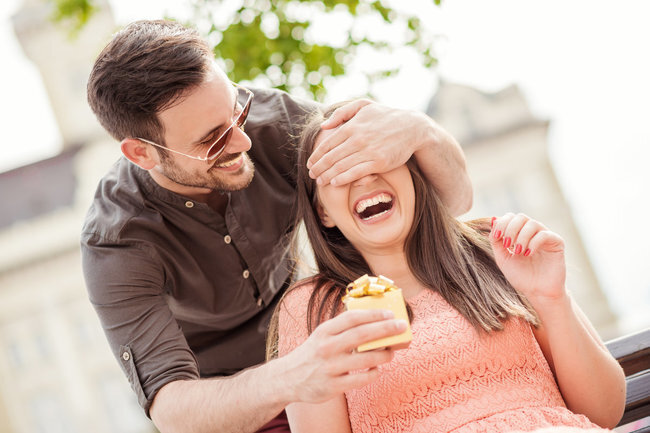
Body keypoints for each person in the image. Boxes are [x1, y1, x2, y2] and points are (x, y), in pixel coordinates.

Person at [80, 19, 473, 433]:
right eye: (212, 140)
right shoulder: (116, 243)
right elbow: (173, 411)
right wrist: (292, 374)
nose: (243, 141)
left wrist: (421, 131)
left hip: (332, 352)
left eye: (237, 111)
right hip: (231, 408)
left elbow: (454, 202)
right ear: (141, 153)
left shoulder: (278, 121)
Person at [271, 103, 627, 433]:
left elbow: (603, 413)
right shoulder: (311, 310)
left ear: (412, 172)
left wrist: (551, 297)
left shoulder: (497, 248)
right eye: (338, 170)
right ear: (323, 213)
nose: (363, 178)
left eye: (374, 155)